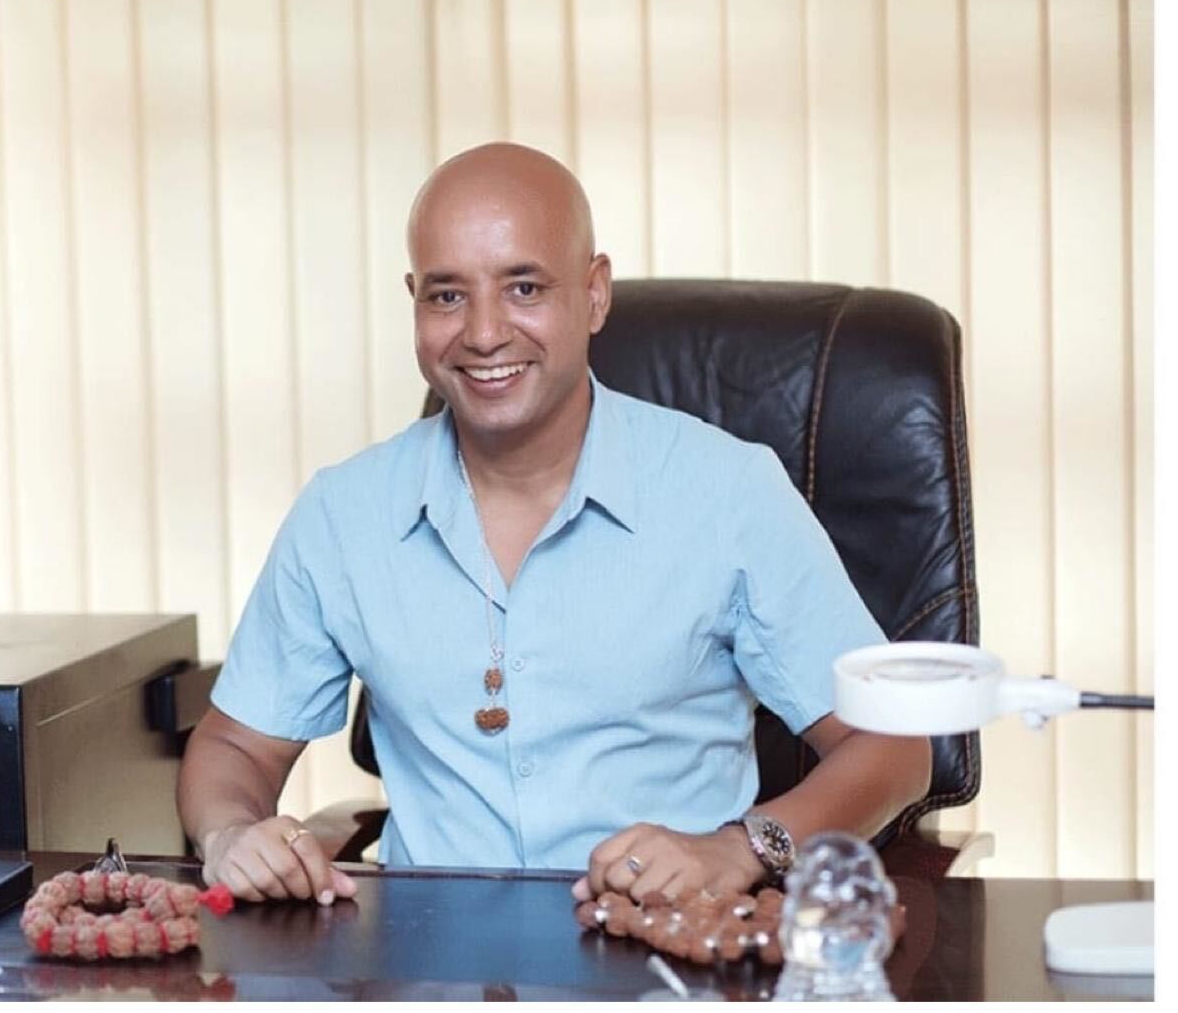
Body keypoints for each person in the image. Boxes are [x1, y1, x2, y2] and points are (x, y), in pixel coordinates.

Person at [177, 142, 931, 907]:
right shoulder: (344, 513)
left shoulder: (729, 492)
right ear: (414, 302)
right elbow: (236, 744)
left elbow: (896, 746)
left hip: (667, 947)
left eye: (524, 287)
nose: (483, 333)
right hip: (425, 954)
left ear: (595, 294)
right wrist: (231, 831)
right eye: (446, 296)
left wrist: (740, 848)